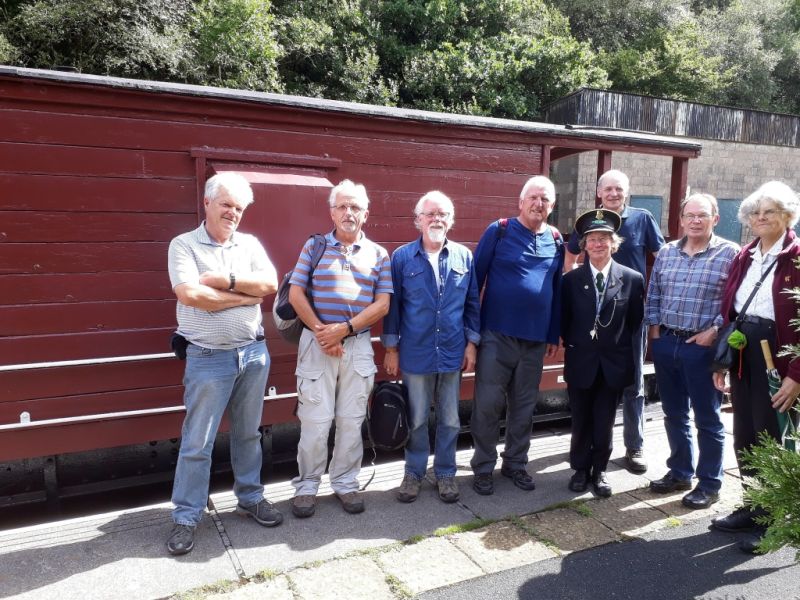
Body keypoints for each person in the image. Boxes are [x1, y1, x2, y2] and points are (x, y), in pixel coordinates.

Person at [165, 172, 282, 556]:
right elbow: (192, 295)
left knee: (248, 433)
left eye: (239, 207)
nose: (232, 212)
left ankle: (250, 497)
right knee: (198, 441)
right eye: (226, 204)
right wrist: (243, 296)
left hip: (252, 353)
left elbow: (269, 286)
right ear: (207, 203)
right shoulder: (183, 245)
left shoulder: (248, 244)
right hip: (207, 357)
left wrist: (224, 280)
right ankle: (186, 516)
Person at [288, 179, 392, 518]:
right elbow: (296, 294)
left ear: (366, 213)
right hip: (317, 344)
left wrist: (345, 330)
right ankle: (306, 486)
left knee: (351, 419)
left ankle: (346, 483)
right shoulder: (314, 247)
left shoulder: (379, 254)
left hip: (358, 345)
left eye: (355, 207)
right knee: (315, 421)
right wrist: (323, 333)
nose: (349, 213)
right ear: (332, 211)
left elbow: (383, 304)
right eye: (343, 206)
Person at [711, 181, 800, 553]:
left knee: (776, 439)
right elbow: (731, 309)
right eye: (756, 213)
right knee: (746, 434)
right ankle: (754, 506)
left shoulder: (797, 257)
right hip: (745, 352)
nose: (761, 218)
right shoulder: (745, 255)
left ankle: (777, 519)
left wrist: (797, 375)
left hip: (780, 357)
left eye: (770, 212)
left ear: (788, 216)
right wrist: (723, 358)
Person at [382, 191, 480, 504]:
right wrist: (391, 348)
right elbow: (393, 306)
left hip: (452, 350)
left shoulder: (464, 257)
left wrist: (472, 343)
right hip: (415, 351)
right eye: (430, 214)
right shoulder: (401, 258)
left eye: (442, 214)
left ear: (450, 221)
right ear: (418, 220)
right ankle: (413, 473)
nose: (436, 219)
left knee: (451, 419)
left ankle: (446, 473)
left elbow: (472, 303)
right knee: (417, 417)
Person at [564, 170, 665, 474]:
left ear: (627, 192)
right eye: (608, 189)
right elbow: (570, 258)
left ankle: (634, 446)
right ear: (599, 193)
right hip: (593, 312)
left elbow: (660, 260)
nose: (613, 194)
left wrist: (655, 303)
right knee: (586, 387)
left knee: (632, 385)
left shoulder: (643, 218)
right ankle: (585, 452)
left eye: (619, 189)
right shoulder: (587, 221)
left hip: (628, 315)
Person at [469, 175, 564, 496]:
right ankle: (483, 466)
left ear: (552, 206)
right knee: (487, 405)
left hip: (535, 341)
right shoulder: (499, 230)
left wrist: (553, 333)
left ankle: (515, 463)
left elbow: (556, 289)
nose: (539, 204)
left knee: (524, 406)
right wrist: (472, 333)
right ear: (521, 202)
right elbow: (474, 282)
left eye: (545, 199)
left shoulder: (555, 239)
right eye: (534, 198)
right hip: (497, 335)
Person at [645, 193, 739, 509]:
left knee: (707, 418)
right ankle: (680, 472)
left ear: (715, 218)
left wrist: (713, 332)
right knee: (673, 414)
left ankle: (710, 483)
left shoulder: (730, 254)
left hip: (702, 347)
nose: (696, 221)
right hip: (667, 342)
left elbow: (734, 303)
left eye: (703, 215)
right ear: (681, 220)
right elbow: (654, 292)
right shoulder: (668, 252)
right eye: (690, 215)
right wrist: (655, 330)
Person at [561, 209, 644, 497]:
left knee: (605, 419)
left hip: (612, 363)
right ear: (583, 246)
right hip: (581, 361)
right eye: (592, 239)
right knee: (581, 418)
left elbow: (635, 324)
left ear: (614, 243)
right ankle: (580, 469)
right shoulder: (570, 281)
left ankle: (600, 470)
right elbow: (565, 320)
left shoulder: (632, 279)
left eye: (604, 239)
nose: (598, 244)